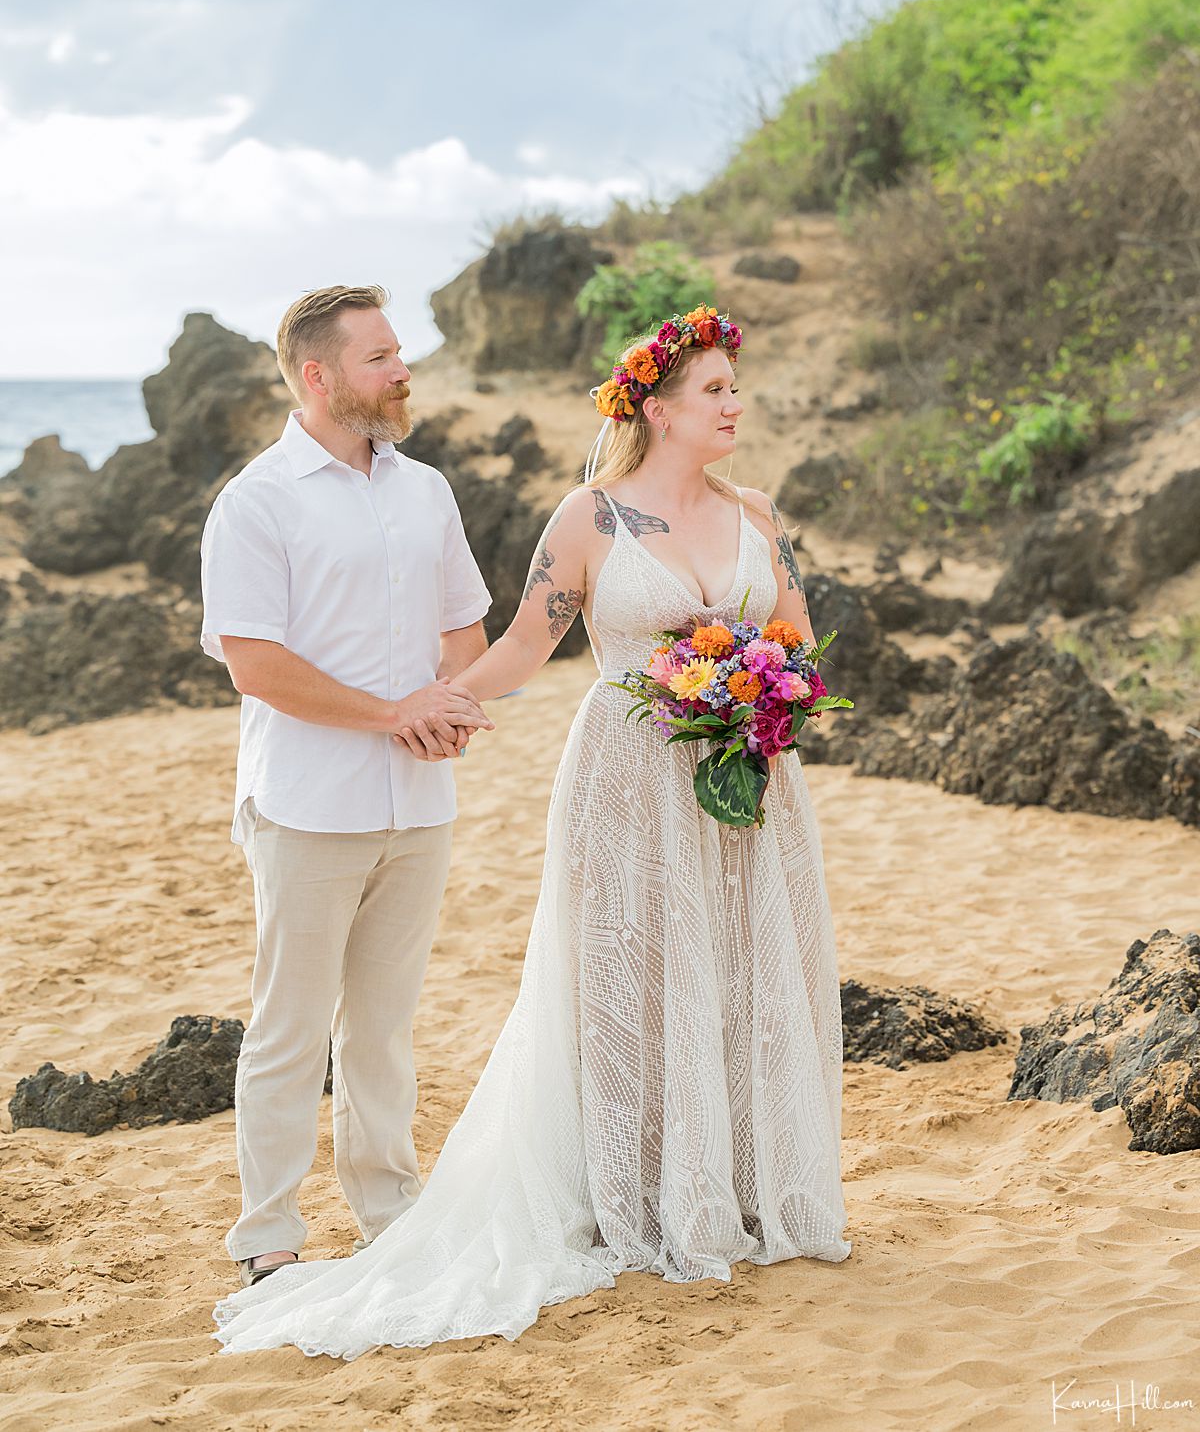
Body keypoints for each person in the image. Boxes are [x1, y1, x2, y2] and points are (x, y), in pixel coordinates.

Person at [212, 302, 851, 1358]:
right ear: (655, 404)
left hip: (744, 772)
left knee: (735, 971)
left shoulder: (754, 513)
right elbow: (519, 648)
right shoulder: (586, 518)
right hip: (615, 774)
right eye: (716, 390)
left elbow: (795, 639)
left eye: (738, 389)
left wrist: (767, 685)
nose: (737, 404)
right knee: (619, 980)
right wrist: (433, 707)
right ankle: (275, 1234)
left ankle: (726, 1186)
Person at [199, 283, 495, 1288]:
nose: (403, 370)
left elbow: (467, 625)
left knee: (382, 1026)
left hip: (420, 804)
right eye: (380, 358)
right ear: (317, 376)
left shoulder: (427, 491)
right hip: (308, 806)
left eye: (400, 352)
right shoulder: (256, 503)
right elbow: (255, 664)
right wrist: (390, 714)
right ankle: (269, 1236)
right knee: (289, 1027)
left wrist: (446, 699)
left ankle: (389, 1214)